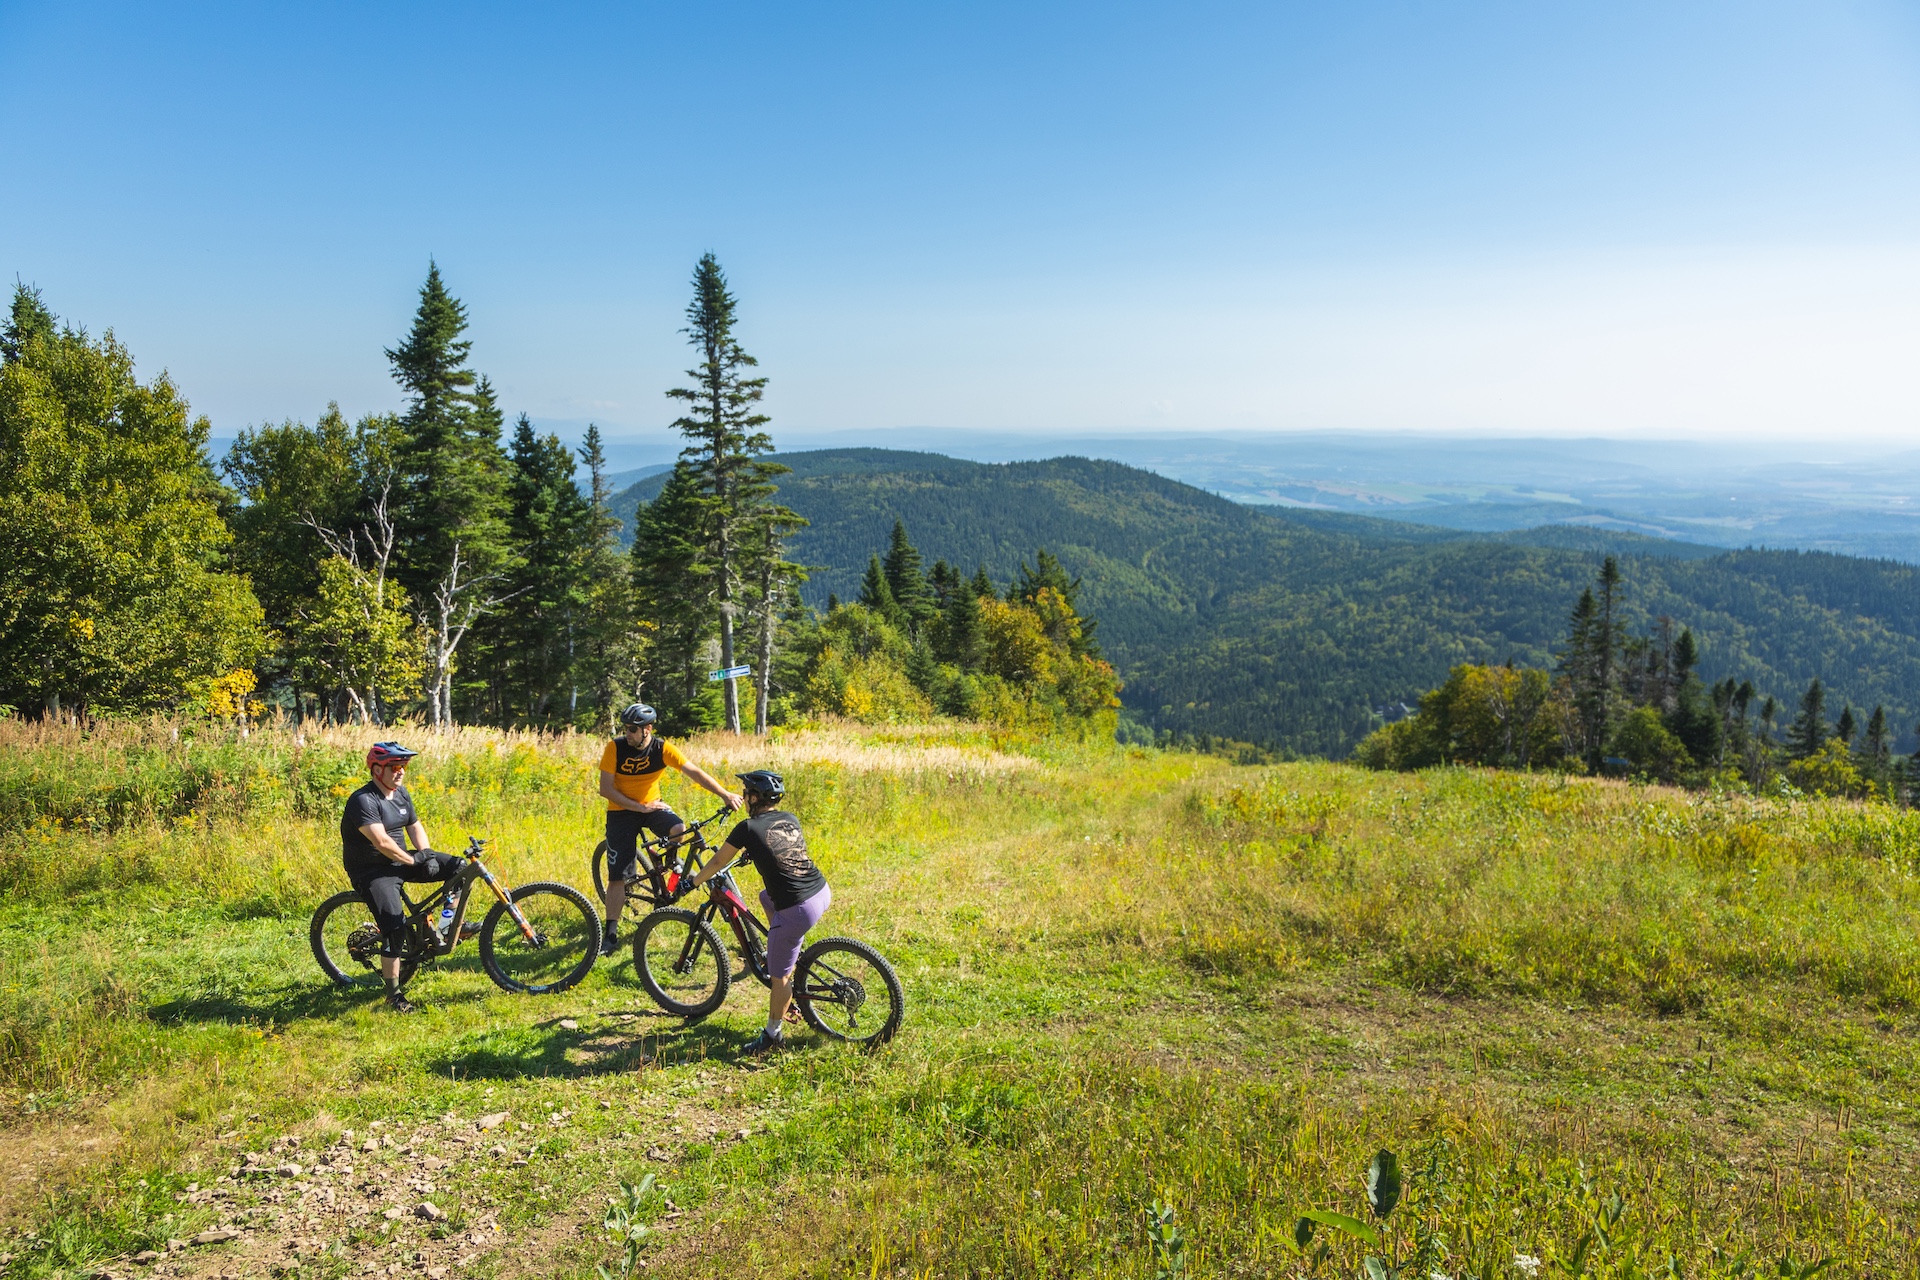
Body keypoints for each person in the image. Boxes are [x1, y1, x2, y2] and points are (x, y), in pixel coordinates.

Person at [672, 770, 827, 1057]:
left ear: (754, 798)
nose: (743, 798)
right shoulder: (789, 818)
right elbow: (780, 847)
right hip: (819, 891)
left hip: (798, 908)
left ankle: (772, 1035)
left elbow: (718, 860)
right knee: (765, 897)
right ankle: (785, 948)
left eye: (745, 793)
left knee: (778, 976)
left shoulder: (747, 828)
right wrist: (751, 853)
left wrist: (693, 881)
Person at [599, 703, 742, 955]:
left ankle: (670, 865)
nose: (628, 733)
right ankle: (610, 931)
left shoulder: (662, 749)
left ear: (648, 729)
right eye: (626, 728)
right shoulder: (615, 748)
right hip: (621, 811)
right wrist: (638, 807)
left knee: (678, 828)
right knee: (618, 875)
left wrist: (724, 794)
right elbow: (606, 789)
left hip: (651, 806)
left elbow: (694, 772)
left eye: (633, 729)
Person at [340, 741, 465, 1014]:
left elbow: (414, 825)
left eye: (404, 767)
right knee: (395, 929)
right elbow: (382, 842)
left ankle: (447, 924)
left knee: (459, 867)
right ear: (376, 771)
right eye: (394, 767)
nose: (401, 772)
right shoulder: (363, 800)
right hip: (372, 870)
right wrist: (413, 860)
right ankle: (393, 995)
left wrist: (427, 853)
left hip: (401, 861)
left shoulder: (401, 794)